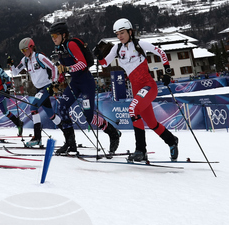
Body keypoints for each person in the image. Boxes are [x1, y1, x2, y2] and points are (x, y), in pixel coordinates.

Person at [99, 18, 179, 162]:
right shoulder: (117, 48)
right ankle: (171, 140)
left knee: (133, 109)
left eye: (122, 33)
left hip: (148, 86)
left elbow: (161, 52)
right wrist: (98, 56)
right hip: (137, 90)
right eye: (117, 34)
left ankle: (140, 150)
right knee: (151, 123)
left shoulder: (139, 44)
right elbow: (105, 63)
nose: (119, 36)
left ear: (130, 32)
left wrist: (167, 72)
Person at [47, 20, 122, 157]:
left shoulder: (71, 44)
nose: (53, 39)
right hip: (75, 82)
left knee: (89, 116)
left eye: (55, 36)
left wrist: (67, 68)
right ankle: (70, 143)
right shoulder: (59, 48)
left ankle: (113, 133)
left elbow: (82, 64)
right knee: (62, 106)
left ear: (63, 35)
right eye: (51, 36)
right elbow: (65, 69)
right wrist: (59, 79)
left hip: (86, 82)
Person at [16, 37, 65, 148]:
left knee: (33, 108)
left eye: (24, 50)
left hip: (46, 87)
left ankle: (37, 138)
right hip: (38, 89)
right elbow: (15, 71)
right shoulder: (25, 60)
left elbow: (53, 68)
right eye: (22, 51)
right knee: (51, 115)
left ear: (30, 47)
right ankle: (67, 131)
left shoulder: (39, 57)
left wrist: (54, 82)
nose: (23, 53)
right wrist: (11, 65)